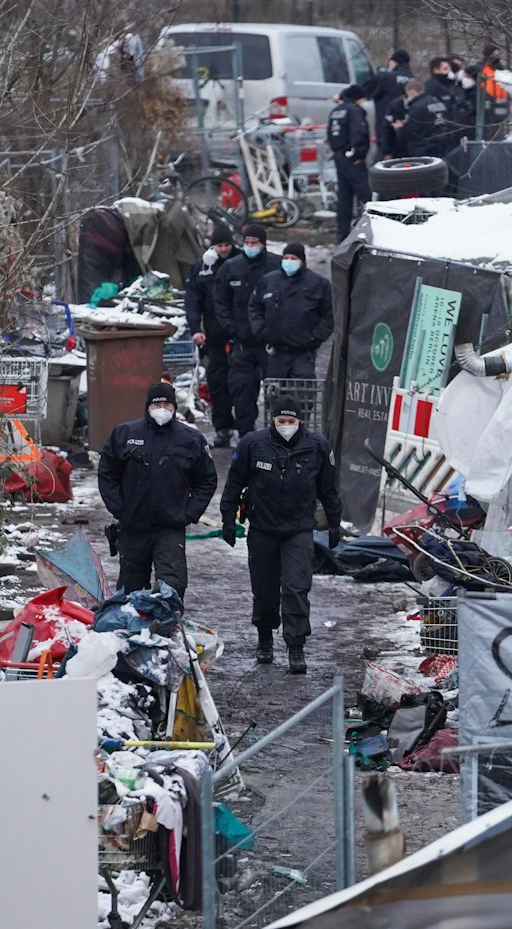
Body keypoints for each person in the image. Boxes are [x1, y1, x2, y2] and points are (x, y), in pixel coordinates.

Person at [220, 395, 343, 673]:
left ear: (300, 421)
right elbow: (234, 483)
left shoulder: (317, 447)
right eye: (281, 421)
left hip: (298, 528)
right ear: (272, 420)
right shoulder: (253, 445)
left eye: (291, 421)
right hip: (262, 527)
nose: (286, 425)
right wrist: (228, 519)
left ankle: (296, 645)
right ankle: (265, 636)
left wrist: (335, 523)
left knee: (296, 587)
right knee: (264, 589)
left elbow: (329, 489)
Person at [97, 382, 217, 601]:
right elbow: (107, 473)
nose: (162, 409)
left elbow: (206, 480)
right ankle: (131, 631)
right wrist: (120, 508)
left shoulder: (191, 440)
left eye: (167, 405)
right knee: (130, 592)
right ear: (148, 407)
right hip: (133, 525)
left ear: (175, 408)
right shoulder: (125, 434)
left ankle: (166, 628)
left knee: (171, 587)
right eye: (157, 404)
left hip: (170, 526)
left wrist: (189, 513)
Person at [212, 224, 281, 434]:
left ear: (263, 244)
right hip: (242, 343)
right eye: (247, 243)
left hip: (271, 344)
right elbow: (220, 301)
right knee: (242, 392)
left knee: (276, 393)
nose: (250, 246)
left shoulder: (276, 265)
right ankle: (245, 437)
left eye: (255, 243)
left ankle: (276, 434)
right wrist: (231, 328)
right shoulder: (231, 268)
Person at [185, 223, 238, 446]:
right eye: (220, 245)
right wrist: (196, 329)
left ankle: (244, 427)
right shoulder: (202, 268)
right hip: (214, 337)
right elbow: (193, 301)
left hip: (240, 336)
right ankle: (223, 428)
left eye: (227, 245)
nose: (224, 249)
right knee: (217, 383)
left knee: (242, 384)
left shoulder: (241, 265)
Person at [246, 242, 332, 381]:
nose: (289, 262)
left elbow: (329, 314)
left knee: (302, 393)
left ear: (302, 261)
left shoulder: (318, 284)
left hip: (303, 352)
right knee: (274, 394)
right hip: (275, 352)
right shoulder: (269, 280)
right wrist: (261, 331)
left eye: (293, 259)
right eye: (286, 258)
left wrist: (314, 338)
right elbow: (255, 306)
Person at [326, 84, 372, 237]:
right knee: (365, 196)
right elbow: (359, 133)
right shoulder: (354, 111)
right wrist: (358, 155)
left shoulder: (335, 111)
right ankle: (368, 231)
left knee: (344, 198)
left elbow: (330, 135)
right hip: (353, 159)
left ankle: (342, 235)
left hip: (339, 157)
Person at [405, 56, 469, 160]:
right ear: (436, 70)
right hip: (434, 138)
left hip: (451, 134)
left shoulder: (453, 85)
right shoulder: (431, 87)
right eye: (445, 69)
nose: (449, 72)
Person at [370, 49, 414, 155]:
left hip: (386, 132)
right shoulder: (415, 80)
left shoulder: (385, 77)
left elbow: (364, 91)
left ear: (393, 61)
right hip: (408, 133)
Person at [473, 43, 512, 140]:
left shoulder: (502, 68)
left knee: (501, 129)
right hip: (486, 104)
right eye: (494, 53)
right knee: (487, 130)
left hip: (502, 103)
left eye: (497, 53)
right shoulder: (480, 67)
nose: (496, 55)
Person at [384, 76, 425, 157]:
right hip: (401, 148)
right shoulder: (396, 105)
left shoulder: (419, 106)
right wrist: (387, 151)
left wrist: (401, 128)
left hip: (413, 147)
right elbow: (387, 129)